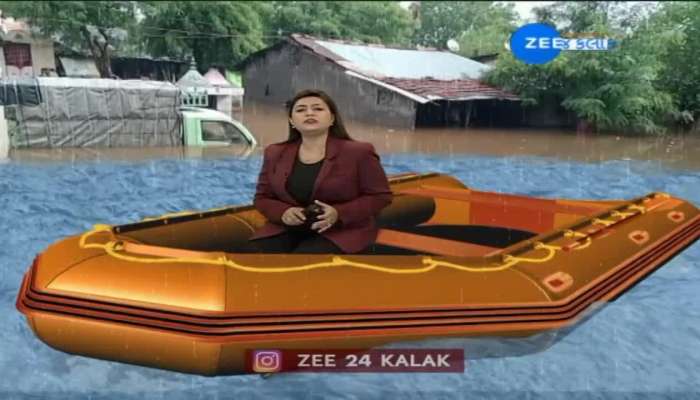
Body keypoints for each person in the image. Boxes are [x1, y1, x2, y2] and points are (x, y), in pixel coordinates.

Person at [248, 89, 392, 254]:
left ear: (331, 118)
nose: (309, 113)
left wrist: (338, 213)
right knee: (254, 255)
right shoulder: (274, 152)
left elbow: (381, 196)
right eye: (301, 110)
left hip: (342, 231)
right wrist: (283, 212)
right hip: (288, 228)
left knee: (305, 259)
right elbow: (262, 198)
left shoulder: (359, 152)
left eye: (318, 109)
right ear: (292, 121)